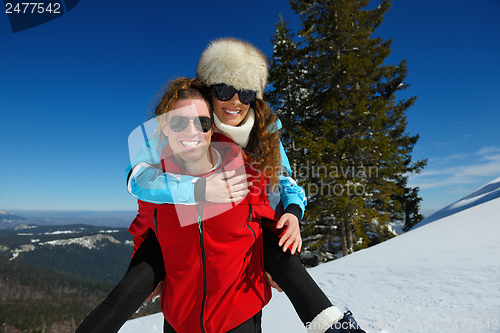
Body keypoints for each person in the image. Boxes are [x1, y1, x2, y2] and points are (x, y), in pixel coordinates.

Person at [129, 77, 278, 332]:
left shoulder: (247, 172)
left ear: (212, 128)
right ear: (164, 127)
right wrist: (145, 276)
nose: (192, 131)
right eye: (178, 121)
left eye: (203, 122)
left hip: (239, 315)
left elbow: (269, 217)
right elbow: (144, 231)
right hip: (179, 318)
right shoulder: (157, 186)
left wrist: (278, 259)